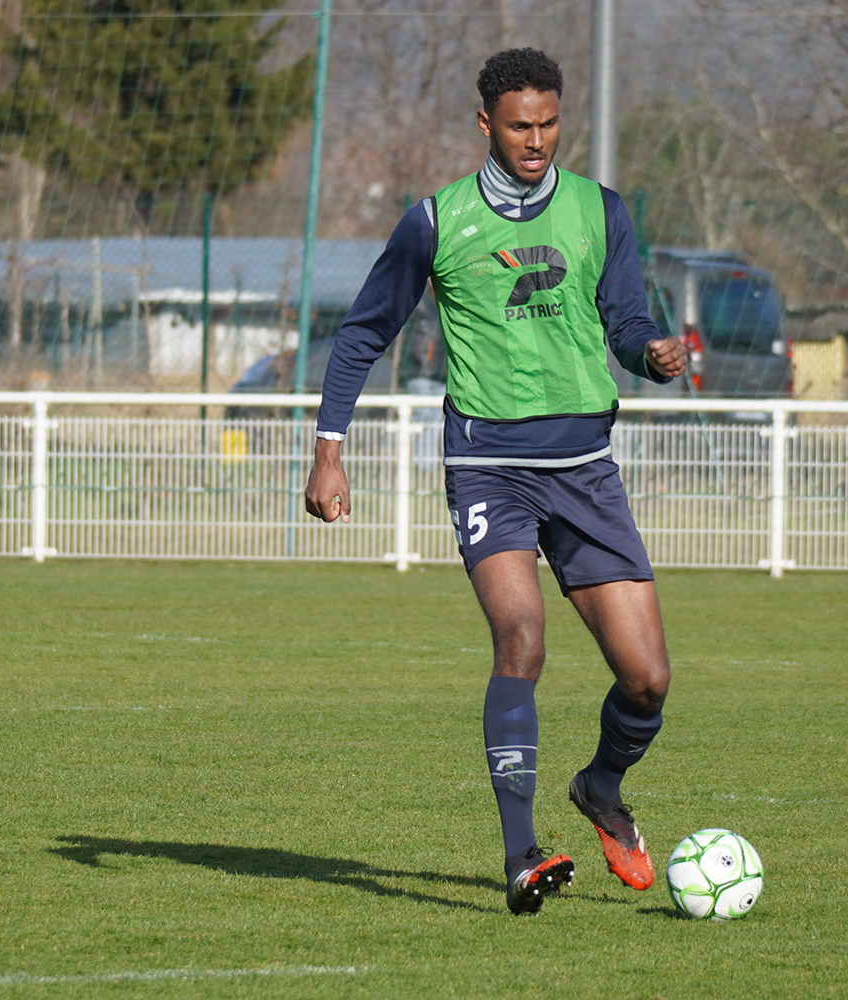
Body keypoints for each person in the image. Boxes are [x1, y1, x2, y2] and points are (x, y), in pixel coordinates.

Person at [303, 48, 686, 915]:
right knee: (522, 639)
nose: (538, 140)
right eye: (520, 125)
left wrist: (652, 354)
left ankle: (601, 788)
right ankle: (522, 858)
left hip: (585, 470)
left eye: (550, 124)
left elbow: (626, 321)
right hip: (488, 467)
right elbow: (364, 334)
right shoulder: (437, 222)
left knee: (648, 679)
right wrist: (329, 448)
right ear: (487, 124)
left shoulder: (601, 211)